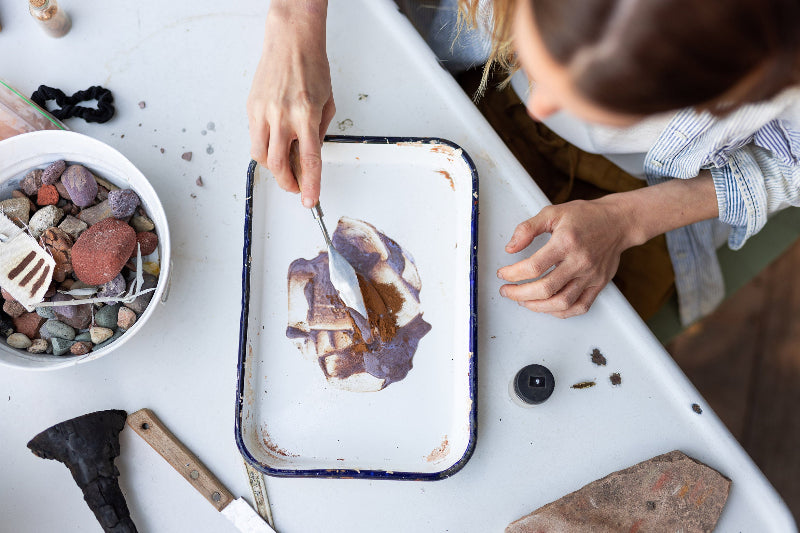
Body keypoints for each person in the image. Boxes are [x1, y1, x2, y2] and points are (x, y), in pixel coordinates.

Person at [247, 0, 800, 324]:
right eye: (548, 65)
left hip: (647, 185)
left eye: (606, 100)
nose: (540, 105)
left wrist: (629, 219)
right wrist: (294, 31)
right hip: (478, 70)